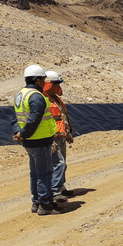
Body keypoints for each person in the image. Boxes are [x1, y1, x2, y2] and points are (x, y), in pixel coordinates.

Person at [11, 64, 61, 215]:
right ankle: (45, 205)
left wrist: (19, 133)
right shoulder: (36, 96)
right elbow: (34, 119)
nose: (45, 81)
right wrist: (24, 134)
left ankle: (36, 202)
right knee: (44, 173)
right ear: (38, 80)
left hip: (30, 142)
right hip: (40, 140)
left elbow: (15, 118)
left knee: (35, 173)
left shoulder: (20, 94)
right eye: (43, 79)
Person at [43, 70, 75, 202]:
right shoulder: (44, 100)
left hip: (61, 136)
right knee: (58, 164)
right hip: (53, 138)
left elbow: (61, 118)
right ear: (50, 85)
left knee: (62, 164)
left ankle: (61, 187)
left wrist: (67, 132)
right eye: (57, 84)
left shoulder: (55, 99)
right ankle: (55, 191)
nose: (59, 87)